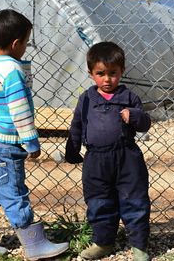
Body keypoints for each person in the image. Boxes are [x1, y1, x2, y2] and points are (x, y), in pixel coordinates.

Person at [0, 9, 69, 260]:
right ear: (15, 43)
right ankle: (34, 244)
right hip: (6, 141)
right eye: (25, 42)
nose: (26, 48)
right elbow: (19, 109)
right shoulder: (12, 71)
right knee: (14, 191)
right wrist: (31, 141)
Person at [65, 41, 152, 261]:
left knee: (135, 199)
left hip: (126, 158)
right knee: (98, 200)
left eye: (113, 73)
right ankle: (103, 242)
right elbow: (77, 125)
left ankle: (139, 246)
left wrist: (134, 115)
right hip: (95, 160)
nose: (107, 79)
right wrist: (73, 150)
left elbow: (145, 123)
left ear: (121, 71)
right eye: (101, 73)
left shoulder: (129, 97)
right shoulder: (86, 98)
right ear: (91, 73)